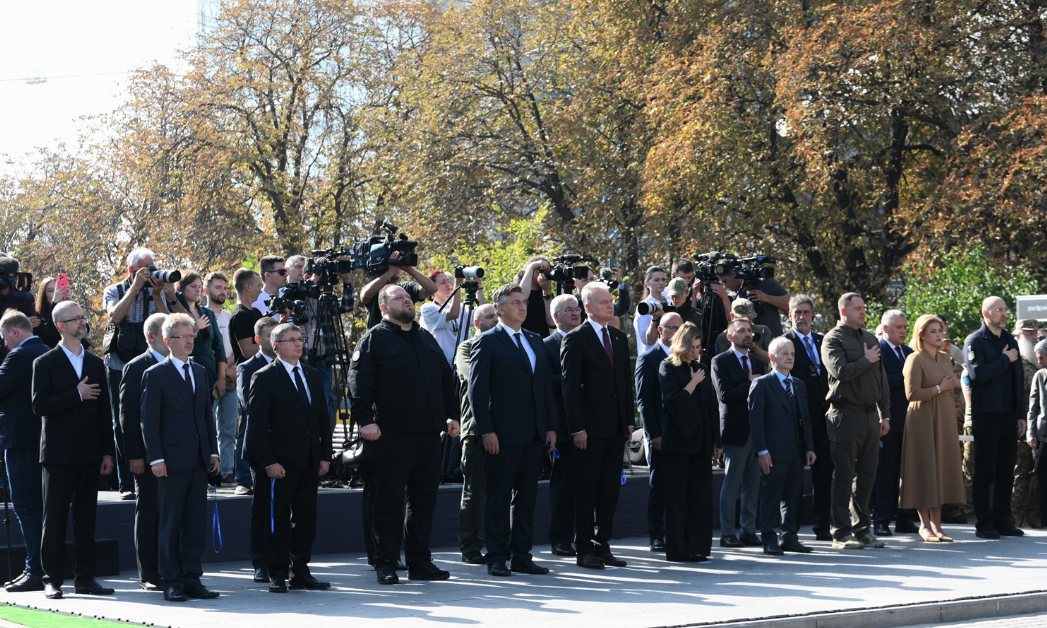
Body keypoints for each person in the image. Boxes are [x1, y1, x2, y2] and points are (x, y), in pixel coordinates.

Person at [348, 284, 460, 585]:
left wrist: (453, 414)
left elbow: (445, 378)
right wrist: (365, 421)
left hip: (428, 434)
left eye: (408, 297)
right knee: (388, 502)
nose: (406, 300)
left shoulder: (424, 337)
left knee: (424, 502)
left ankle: (420, 562)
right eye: (398, 297)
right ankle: (385, 561)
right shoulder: (374, 339)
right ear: (384, 307)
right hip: (389, 435)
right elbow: (359, 383)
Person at [468, 284, 557, 577]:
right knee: (498, 496)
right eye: (516, 303)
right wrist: (487, 431)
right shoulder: (488, 341)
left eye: (524, 303)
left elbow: (544, 388)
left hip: (534, 434)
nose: (522, 307)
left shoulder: (535, 339)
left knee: (527, 497)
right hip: (501, 435)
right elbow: (477, 392)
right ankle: (496, 555)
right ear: (500, 308)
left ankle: (522, 554)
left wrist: (551, 427)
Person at [31, 300, 115, 599]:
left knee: (86, 519)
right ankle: (51, 579)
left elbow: (106, 411)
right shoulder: (44, 362)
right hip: (58, 456)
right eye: (76, 318)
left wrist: (108, 452)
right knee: (53, 519)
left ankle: (85, 579)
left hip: (91, 455)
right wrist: (75, 395)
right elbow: (40, 405)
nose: (83, 322)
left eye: (83, 317)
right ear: (60, 326)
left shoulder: (95, 363)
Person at [140, 313, 221, 602]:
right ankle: (170, 580)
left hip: (198, 460)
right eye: (183, 337)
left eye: (191, 336)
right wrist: (156, 458)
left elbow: (205, 417)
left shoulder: (199, 371)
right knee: (170, 523)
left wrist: (213, 451)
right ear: (167, 341)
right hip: (171, 462)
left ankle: (192, 578)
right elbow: (149, 422)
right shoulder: (155, 374)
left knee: (195, 523)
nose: (190, 341)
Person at [247, 323, 333, 592]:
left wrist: (325, 456)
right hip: (279, 465)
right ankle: (276, 571)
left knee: (306, 519)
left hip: (309, 462)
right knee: (277, 520)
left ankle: (301, 570)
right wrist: (269, 462)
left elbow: (321, 419)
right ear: (276, 346)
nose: (298, 344)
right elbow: (257, 426)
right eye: (291, 340)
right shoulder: (264, 377)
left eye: (300, 339)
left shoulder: (312, 374)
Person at [561, 283, 634, 569]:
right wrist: (577, 428)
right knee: (586, 490)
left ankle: (603, 544)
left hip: (615, 428)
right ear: (587, 307)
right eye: (602, 301)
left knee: (608, 491)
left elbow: (624, 385)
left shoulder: (617, 336)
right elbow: (570, 389)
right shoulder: (576, 338)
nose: (609, 305)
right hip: (588, 431)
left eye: (610, 300)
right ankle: (583, 548)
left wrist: (628, 421)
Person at [103, 248, 185, 500]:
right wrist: (135, 287)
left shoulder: (155, 289)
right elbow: (114, 318)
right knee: (121, 421)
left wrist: (159, 294)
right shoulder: (114, 290)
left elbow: (168, 322)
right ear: (132, 270)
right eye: (146, 268)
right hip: (120, 363)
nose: (151, 272)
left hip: (154, 362)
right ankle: (126, 482)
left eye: (153, 266)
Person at [820, 292, 890, 550]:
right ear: (843, 311)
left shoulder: (870, 339)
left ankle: (863, 530)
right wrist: (865, 360)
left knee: (867, 477)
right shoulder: (832, 339)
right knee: (844, 475)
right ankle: (840, 533)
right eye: (858, 308)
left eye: (864, 308)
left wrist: (886, 414)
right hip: (844, 415)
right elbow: (840, 372)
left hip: (871, 416)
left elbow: (881, 381)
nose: (863, 312)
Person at [963, 296, 1027, 539]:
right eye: (998, 310)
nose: (1004, 314)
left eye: (1005, 309)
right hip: (987, 414)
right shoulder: (975, 341)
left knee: (1005, 470)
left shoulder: (1010, 339)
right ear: (986, 313)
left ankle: (1003, 520)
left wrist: (1020, 414)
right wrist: (1003, 359)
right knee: (985, 470)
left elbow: (1017, 378)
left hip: (1008, 414)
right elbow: (977, 374)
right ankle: (985, 522)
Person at [899, 314, 965, 542]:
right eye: (934, 331)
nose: (939, 335)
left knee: (941, 470)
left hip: (944, 419)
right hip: (923, 419)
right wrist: (939, 387)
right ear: (922, 335)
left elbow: (953, 383)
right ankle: (924, 525)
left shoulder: (946, 358)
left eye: (940, 330)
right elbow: (911, 394)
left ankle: (938, 526)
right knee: (924, 469)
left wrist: (954, 383)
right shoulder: (914, 359)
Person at [658, 322, 719, 562]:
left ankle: (698, 546)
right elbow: (673, 403)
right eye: (692, 347)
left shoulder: (701, 367)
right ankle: (678, 549)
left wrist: (716, 439)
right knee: (677, 497)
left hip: (701, 441)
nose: (696, 352)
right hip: (678, 441)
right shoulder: (667, 367)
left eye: (699, 347)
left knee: (700, 496)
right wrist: (692, 382)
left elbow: (712, 406)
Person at [749, 337, 816, 555]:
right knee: (771, 495)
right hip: (772, 451)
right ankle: (768, 538)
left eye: (792, 354)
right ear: (771, 357)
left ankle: (789, 536)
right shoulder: (762, 384)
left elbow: (804, 418)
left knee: (792, 495)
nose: (789, 357)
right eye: (784, 353)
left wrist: (809, 447)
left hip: (795, 450)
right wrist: (762, 450)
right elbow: (756, 421)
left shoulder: (798, 384)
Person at [118, 313, 169, 591]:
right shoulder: (137, 367)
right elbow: (128, 415)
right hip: (148, 458)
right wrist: (135, 455)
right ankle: (149, 574)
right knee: (149, 512)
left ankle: (172, 569)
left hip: (177, 455)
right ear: (151, 337)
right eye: (167, 331)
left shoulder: (184, 365)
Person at [0, 311, 49, 592]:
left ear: (14, 332)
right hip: (45, 441)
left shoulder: (18, 356)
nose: (5, 343)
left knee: (26, 507)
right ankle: (41, 567)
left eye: (4, 337)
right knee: (39, 507)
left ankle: (35, 569)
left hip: (20, 441)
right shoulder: (49, 351)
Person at [712, 318, 766, 549]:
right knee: (732, 484)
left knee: (753, 484)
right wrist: (750, 383)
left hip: (756, 431)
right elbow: (724, 395)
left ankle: (748, 530)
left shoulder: (757, 362)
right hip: (734, 431)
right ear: (729, 336)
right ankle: (727, 533)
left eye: (749, 331)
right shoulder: (719, 361)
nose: (747, 334)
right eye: (741, 331)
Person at [783, 295, 833, 540]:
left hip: (823, 419)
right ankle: (788, 531)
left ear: (813, 315)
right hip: (796, 418)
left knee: (824, 475)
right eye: (796, 312)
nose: (801, 317)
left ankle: (823, 528)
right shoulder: (784, 342)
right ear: (789, 315)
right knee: (793, 477)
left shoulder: (823, 341)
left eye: (805, 312)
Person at [634, 312, 684, 552]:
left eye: (679, 327)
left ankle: (678, 531)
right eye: (670, 327)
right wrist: (653, 434)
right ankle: (656, 534)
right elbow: (643, 400)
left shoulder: (687, 359)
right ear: (660, 331)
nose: (675, 332)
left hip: (684, 433)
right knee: (660, 484)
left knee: (680, 484)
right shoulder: (649, 358)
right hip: (660, 434)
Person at [454, 304, 498, 565]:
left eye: (496, 315)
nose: (495, 320)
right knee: (475, 491)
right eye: (489, 317)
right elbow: (477, 380)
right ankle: (470, 546)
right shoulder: (468, 347)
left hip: (509, 430)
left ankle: (501, 544)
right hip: (476, 430)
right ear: (477, 324)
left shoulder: (513, 344)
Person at [238, 317, 279, 582]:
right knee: (262, 509)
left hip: (289, 448)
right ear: (258, 339)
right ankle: (260, 562)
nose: (274, 340)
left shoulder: (294, 367)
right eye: (268, 336)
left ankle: (283, 560)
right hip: (260, 449)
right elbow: (248, 404)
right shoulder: (248, 368)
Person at [543, 294, 583, 557]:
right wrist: (576, 380)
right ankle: (560, 539)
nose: (575, 313)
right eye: (568, 310)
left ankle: (586, 538)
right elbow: (544, 383)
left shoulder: (588, 340)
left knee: (588, 486)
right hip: (563, 427)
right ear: (556, 316)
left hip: (589, 426)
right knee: (564, 486)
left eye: (577, 309)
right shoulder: (546, 345)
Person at [874, 310, 919, 537]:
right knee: (886, 473)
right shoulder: (877, 351)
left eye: (904, 327)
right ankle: (881, 520)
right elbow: (879, 382)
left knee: (907, 473)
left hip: (909, 421)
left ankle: (904, 517)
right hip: (887, 421)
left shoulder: (909, 352)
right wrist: (905, 376)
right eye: (898, 327)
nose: (903, 331)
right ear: (885, 328)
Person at [204, 272, 239, 485]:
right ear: (207, 290)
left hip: (230, 379)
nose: (223, 292)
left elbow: (236, 347)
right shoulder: (200, 316)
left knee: (228, 429)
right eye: (218, 287)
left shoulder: (230, 317)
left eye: (225, 288)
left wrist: (226, 368)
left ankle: (227, 470)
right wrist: (219, 369)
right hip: (207, 379)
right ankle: (208, 470)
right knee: (206, 428)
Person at [176, 271, 227, 400]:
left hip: (210, 373)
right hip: (186, 372)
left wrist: (221, 378)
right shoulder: (174, 314)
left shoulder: (208, 312)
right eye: (193, 286)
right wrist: (195, 329)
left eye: (199, 286)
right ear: (181, 288)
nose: (198, 290)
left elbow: (219, 346)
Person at [1011, 319, 1042, 529]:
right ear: (1018, 336)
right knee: (1018, 475)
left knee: (1035, 475)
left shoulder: (1037, 362)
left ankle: (1032, 517)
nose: (1033, 336)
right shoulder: (1017, 363)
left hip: (1038, 429)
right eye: (1028, 333)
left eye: (1035, 333)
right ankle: (1013, 518)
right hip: (1020, 428)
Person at [421, 269, 484, 365]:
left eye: (448, 281)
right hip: (444, 367)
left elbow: (482, 315)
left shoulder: (462, 307)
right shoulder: (428, 309)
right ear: (432, 289)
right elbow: (453, 314)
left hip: (466, 363)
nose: (448, 285)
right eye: (443, 283)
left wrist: (479, 288)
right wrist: (457, 285)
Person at [358, 257, 439, 330]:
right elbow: (365, 295)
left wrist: (409, 269)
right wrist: (390, 271)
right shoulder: (374, 289)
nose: (397, 267)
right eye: (398, 297)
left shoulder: (406, 288)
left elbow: (432, 289)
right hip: (380, 340)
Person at [717, 265, 790, 337]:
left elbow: (789, 304)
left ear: (733, 273)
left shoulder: (765, 282)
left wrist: (766, 297)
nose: (725, 285)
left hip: (773, 340)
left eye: (725, 281)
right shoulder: (732, 296)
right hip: (746, 343)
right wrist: (724, 298)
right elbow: (731, 321)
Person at [1025, 339, 1047, 527]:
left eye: (1042, 358)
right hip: (1042, 436)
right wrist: (1030, 433)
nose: (1039, 361)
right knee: (1043, 482)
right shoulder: (1040, 376)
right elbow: (1032, 408)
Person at [517, 256, 555, 338]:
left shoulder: (547, 293)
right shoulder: (518, 290)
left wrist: (547, 291)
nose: (544, 274)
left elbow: (552, 323)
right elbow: (520, 298)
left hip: (542, 340)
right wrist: (531, 266)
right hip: (523, 339)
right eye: (540, 270)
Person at [633, 266, 668, 356]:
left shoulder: (670, 301)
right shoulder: (644, 306)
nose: (661, 283)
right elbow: (647, 340)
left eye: (663, 279)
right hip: (650, 357)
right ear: (647, 282)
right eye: (656, 280)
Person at [32, 276, 69, 348]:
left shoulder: (67, 313)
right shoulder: (36, 316)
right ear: (44, 295)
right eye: (51, 291)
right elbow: (47, 335)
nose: (56, 294)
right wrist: (54, 303)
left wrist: (71, 305)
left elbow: (83, 331)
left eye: (57, 290)